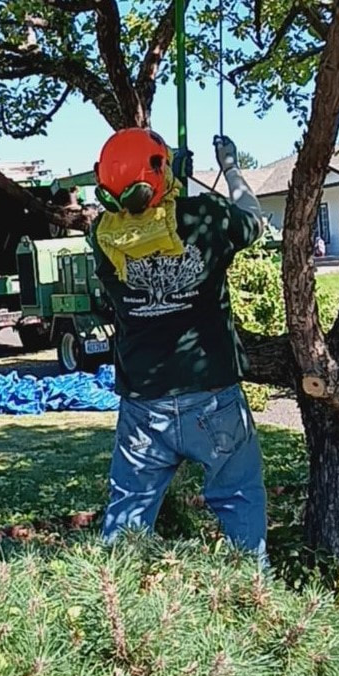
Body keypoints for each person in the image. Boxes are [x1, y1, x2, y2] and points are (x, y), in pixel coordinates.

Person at [90, 128, 267, 562]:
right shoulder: (204, 216)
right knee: (239, 498)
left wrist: (171, 186)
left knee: (127, 518)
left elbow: (150, 223)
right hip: (212, 397)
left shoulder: (102, 235)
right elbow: (253, 219)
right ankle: (256, 601)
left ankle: (118, 605)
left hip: (144, 404)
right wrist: (229, 167)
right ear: (161, 173)